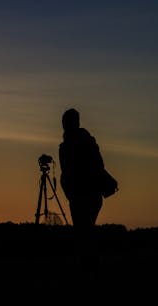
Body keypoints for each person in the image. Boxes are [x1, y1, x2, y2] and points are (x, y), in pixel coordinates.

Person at [58, 108, 105, 272]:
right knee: (86, 231)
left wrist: (70, 191)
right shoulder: (89, 142)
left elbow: (67, 173)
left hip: (80, 195)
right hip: (93, 195)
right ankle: (91, 265)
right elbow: (100, 166)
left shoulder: (66, 147)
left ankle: (88, 266)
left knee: (83, 232)